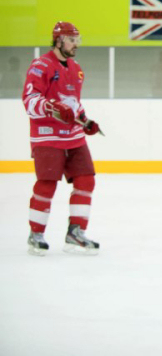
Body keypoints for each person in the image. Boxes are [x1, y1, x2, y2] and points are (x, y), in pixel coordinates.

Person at [23, 22, 102, 256]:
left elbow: (72, 103)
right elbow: (30, 101)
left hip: (74, 136)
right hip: (48, 137)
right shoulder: (40, 65)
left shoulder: (76, 68)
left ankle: (75, 233)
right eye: (71, 40)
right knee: (47, 183)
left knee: (86, 179)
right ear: (58, 41)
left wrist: (85, 120)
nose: (76, 45)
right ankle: (36, 233)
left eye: (77, 40)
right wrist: (51, 107)